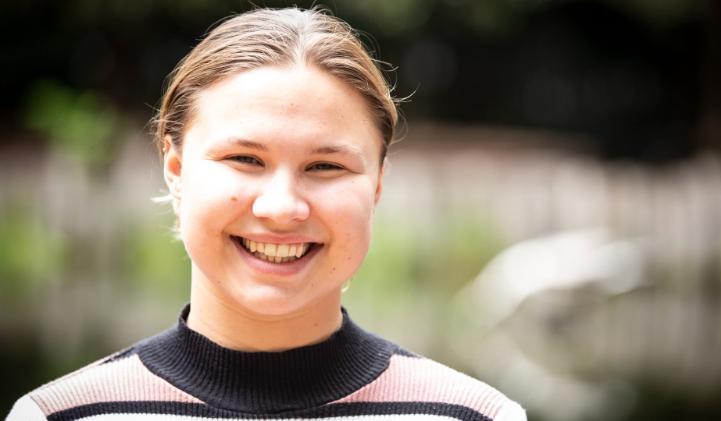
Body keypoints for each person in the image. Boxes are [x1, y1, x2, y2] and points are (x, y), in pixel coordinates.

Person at [6, 7, 525, 421]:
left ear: (379, 185)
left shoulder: (474, 416)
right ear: (175, 169)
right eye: (244, 159)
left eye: (325, 165)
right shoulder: (58, 415)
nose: (281, 208)